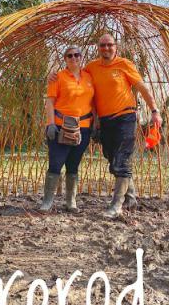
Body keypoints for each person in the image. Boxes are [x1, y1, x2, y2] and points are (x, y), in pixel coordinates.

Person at [49, 33, 162, 218]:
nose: (106, 48)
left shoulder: (124, 64)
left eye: (109, 45)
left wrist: (154, 110)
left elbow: (142, 88)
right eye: (102, 45)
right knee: (112, 157)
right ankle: (131, 197)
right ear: (98, 48)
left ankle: (116, 206)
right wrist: (54, 75)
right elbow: (75, 76)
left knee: (122, 159)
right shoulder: (92, 67)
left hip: (125, 117)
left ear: (115, 47)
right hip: (105, 121)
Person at [40, 45, 95, 212]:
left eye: (77, 55)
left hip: (83, 127)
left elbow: (94, 102)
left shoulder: (89, 77)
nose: (74, 58)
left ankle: (71, 201)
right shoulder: (58, 77)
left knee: (73, 164)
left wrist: (96, 124)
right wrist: (50, 123)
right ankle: (47, 201)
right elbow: (50, 101)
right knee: (56, 163)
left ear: (81, 57)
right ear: (65, 59)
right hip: (60, 126)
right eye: (70, 56)